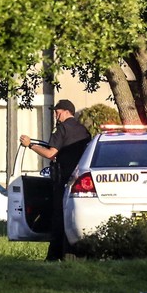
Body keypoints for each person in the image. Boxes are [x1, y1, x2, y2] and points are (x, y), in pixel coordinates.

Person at [20, 99, 91, 261]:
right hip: (80, 181)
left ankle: (54, 256)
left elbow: (51, 153)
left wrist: (30, 145)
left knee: (59, 217)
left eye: (57, 112)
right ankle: (74, 254)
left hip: (63, 179)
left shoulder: (62, 129)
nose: (55, 116)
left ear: (66, 112)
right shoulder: (84, 131)